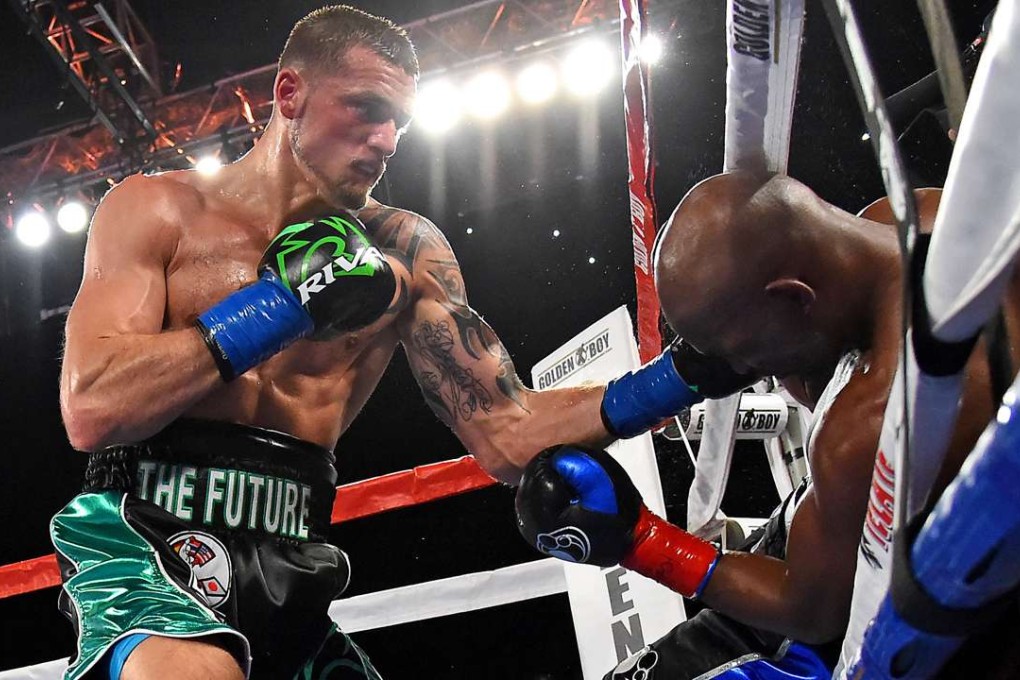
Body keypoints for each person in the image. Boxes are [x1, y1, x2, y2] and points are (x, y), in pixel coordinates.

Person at [52, 6, 757, 680]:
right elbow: (93, 409)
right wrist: (279, 308)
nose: (387, 141)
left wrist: (686, 374)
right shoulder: (156, 209)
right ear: (289, 93)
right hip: (144, 533)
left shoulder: (405, 250)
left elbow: (506, 434)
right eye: (366, 108)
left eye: (401, 123)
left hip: (291, 555)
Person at [515, 171, 1020, 678]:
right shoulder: (912, 219)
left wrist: (638, 539)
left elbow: (810, 612)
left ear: (796, 297)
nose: (756, 371)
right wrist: (692, 370)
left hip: (874, 621)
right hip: (846, 525)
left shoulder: (867, 429)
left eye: (746, 351)